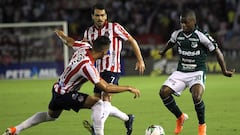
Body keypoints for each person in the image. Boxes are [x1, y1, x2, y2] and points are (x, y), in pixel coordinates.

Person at [2, 32, 141, 135]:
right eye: (108, 50)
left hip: (57, 89)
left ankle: (16, 130)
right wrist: (128, 87)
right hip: (66, 94)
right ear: (104, 51)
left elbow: (69, 41)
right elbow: (106, 87)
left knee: (50, 116)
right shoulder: (87, 66)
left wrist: (60, 34)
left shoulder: (84, 46)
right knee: (98, 104)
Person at [158, 9, 235, 135]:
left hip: (197, 72)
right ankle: (180, 117)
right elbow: (171, 43)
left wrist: (224, 70)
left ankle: (202, 126)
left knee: (196, 96)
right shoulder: (177, 34)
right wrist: (163, 51)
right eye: (181, 23)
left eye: (186, 23)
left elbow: (217, 51)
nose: (183, 25)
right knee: (163, 92)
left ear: (193, 22)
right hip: (181, 71)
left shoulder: (201, 35)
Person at [81, 3, 145, 135]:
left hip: (112, 69)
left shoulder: (114, 28)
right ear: (92, 16)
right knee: (97, 102)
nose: (100, 18)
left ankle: (97, 129)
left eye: (102, 15)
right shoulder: (88, 32)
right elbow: (85, 49)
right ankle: (127, 119)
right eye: (97, 15)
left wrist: (140, 60)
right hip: (97, 71)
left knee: (106, 98)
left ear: (106, 16)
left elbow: (132, 40)